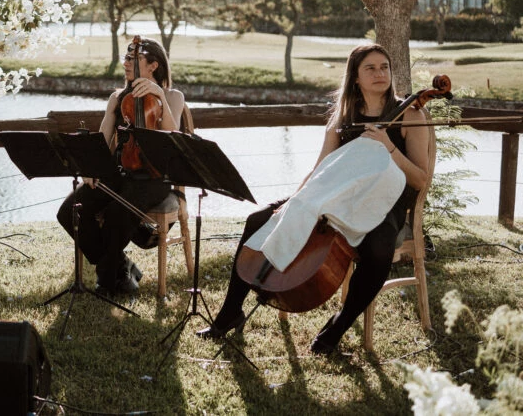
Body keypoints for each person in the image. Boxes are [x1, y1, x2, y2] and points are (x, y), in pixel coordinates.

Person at [196, 43, 432, 354]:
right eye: (371, 68)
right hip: (332, 200)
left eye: (384, 67)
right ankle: (229, 313)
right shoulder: (344, 117)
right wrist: (292, 202)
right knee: (258, 220)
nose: (380, 73)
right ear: (356, 77)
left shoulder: (411, 115)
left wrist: (389, 146)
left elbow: (420, 179)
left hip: (381, 207)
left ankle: (335, 330)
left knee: (378, 251)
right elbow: (320, 168)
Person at [56, 36, 190, 296]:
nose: (126, 63)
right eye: (126, 58)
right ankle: (121, 265)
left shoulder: (173, 96)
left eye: (133, 58)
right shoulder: (118, 97)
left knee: (118, 213)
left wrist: (159, 97)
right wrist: (90, 168)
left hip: (156, 178)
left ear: (153, 65)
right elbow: (103, 139)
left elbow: (173, 137)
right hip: (120, 173)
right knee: (70, 211)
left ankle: (108, 280)